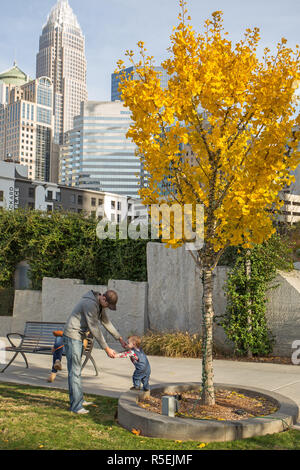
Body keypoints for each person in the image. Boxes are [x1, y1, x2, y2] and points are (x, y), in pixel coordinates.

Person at [63, 289, 127, 414]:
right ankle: (76, 407)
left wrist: (119, 338)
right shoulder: (90, 304)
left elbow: (106, 322)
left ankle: (79, 400)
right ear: (103, 299)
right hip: (72, 336)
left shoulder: (99, 304)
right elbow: (94, 328)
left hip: (79, 337)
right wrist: (106, 349)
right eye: (108, 305)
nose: (107, 308)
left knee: (76, 370)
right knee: (75, 371)